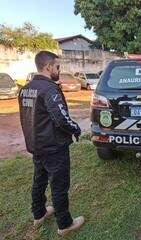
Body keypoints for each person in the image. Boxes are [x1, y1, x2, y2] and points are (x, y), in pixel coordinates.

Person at [18, 51, 85, 236]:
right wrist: (76, 129)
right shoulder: (49, 89)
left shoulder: (25, 89)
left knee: (39, 180)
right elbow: (61, 119)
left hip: (37, 145)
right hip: (54, 146)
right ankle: (65, 224)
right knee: (59, 185)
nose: (59, 70)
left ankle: (39, 213)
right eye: (57, 67)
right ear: (48, 67)